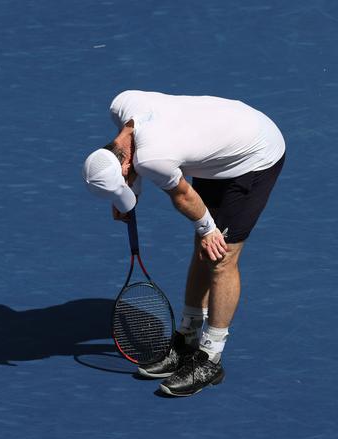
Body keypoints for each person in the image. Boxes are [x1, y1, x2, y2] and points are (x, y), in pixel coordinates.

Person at [82, 90, 285, 396]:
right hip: (221, 146)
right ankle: (187, 339)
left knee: (221, 256)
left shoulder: (153, 158)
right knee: (204, 249)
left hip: (254, 153)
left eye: (123, 183)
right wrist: (128, 191)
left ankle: (210, 359)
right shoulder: (122, 105)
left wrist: (208, 229)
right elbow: (134, 160)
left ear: (123, 166)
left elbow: (184, 195)